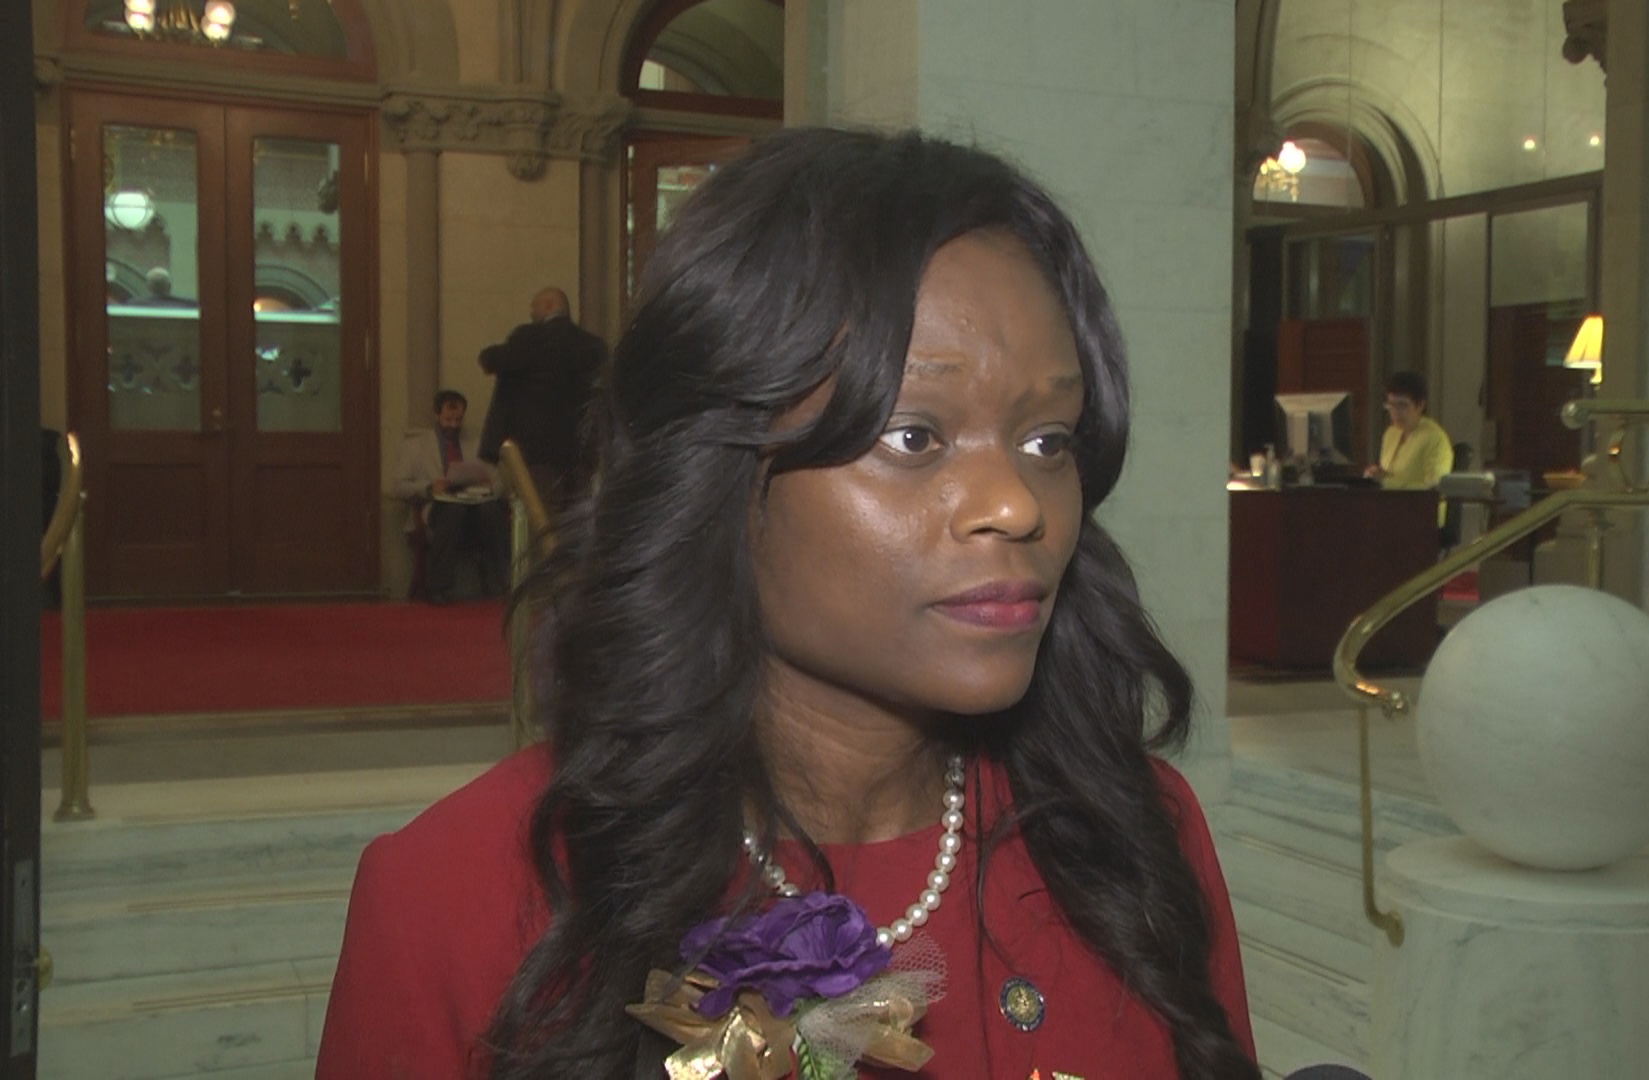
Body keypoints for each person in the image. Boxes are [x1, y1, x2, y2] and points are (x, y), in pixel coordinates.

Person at [318, 130, 1260, 1080]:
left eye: (1049, 440)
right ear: (717, 472)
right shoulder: (455, 894)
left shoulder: (1138, 839)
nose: (1018, 505)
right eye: (914, 436)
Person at [477, 286, 606, 511]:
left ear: (549, 306)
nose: (531, 313)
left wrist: (485, 355)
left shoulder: (530, 337)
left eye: (534, 307)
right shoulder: (594, 346)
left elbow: (493, 360)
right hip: (582, 450)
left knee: (542, 516)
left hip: (537, 450)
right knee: (577, 516)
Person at [390, 389, 508, 602]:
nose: (453, 425)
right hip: (437, 507)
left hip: (474, 505)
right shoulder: (415, 447)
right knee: (453, 511)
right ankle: (438, 587)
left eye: (458, 420)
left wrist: (489, 487)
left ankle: (504, 582)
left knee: (492, 511)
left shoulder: (476, 445)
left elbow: (499, 483)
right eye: (448, 420)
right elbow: (397, 486)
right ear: (437, 415)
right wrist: (429, 487)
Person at [1364, 370, 1453, 490]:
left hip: (1417, 502)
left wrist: (1386, 482)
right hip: (1389, 500)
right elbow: (1390, 475)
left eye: (1402, 405)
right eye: (1391, 405)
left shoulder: (1435, 439)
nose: (1395, 412)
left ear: (1420, 405)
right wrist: (1377, 474)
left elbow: (1433, 488)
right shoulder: (1391, 433)